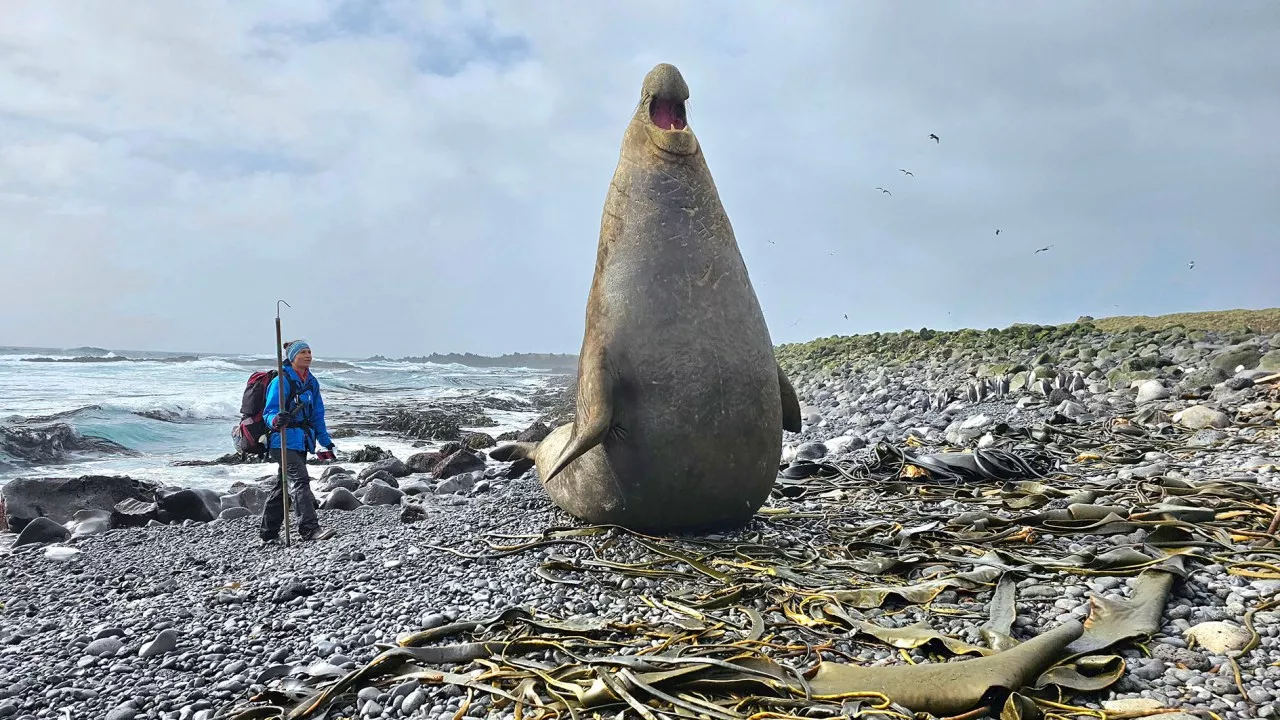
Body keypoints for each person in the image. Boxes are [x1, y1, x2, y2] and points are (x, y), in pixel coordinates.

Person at [259, 339, 337, 543]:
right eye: (303, 352)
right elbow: (268, 413)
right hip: (281, 441)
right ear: (292, 357)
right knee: (300, 481)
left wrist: (325, 441)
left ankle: (268, 533)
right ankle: (310, 530)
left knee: (283, 486)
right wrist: (276, 420)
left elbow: (317, 414)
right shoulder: (281, 381)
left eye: (310, 351)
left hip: (302, 442)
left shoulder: (311, 382)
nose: (308, 355)